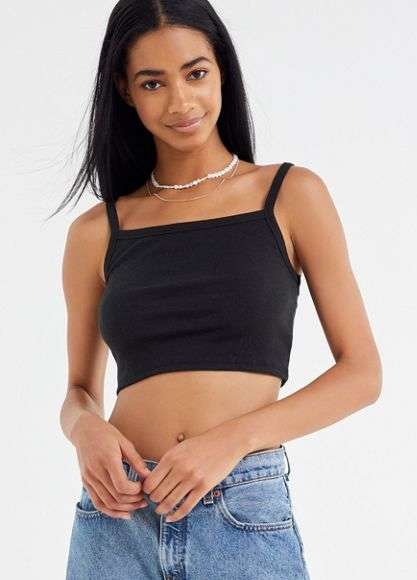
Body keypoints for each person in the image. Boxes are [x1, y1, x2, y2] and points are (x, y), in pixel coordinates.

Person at [58, 1, 382, 578]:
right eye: (153, 82)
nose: (180, 102)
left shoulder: (289, 196)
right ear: (126, 91)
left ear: (222, 71)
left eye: (196, 73)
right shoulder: (96, 232)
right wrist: (85, 431)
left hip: (239, 507)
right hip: (116, 516)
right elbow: (80, 390)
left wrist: (232, 441)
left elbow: (361, 374)